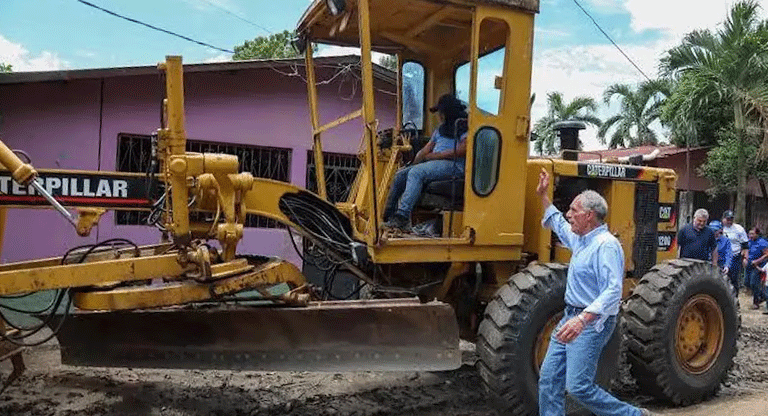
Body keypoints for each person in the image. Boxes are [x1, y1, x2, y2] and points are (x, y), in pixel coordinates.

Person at [535, 168, 655, 416]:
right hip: (572, 317)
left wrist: (582, 320)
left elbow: (613, 291)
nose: (568, 215)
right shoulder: (581, 239)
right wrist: (543, 196)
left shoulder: (606, 245)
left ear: (589, 216)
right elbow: (557, 222)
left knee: (578, 387)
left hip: (592, 323)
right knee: (548, 379)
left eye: (573, 211)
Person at [382, 94, 468, 231]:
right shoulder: (440, 130)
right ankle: (388, 215)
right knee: (401, 175)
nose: (439, 116)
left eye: (441, 113)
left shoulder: (463, 127)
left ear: (448, 113)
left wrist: (437, 156)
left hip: (454, 165)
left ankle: (402, 217)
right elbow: (425, 150)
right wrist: (412, 164)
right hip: (436, 164)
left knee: (417, 173)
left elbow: (465, 148)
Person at [721, 210, 748, 294]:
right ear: (723, 219)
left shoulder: (739, 229)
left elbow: (745, 245)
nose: (729, 221)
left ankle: (735, 298)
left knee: (734, 279)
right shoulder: (719, 228)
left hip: (735, 256)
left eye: (731, 219)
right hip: (721, 256)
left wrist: (745, 258)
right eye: (727, 219)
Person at [743, 227, 768, 309]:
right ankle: (764, 296)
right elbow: (745, 250)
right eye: (749, 233)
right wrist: (745, 258)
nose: (750, 235)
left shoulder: (762, 242)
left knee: (754, 283)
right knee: (746, 282)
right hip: (749, 264)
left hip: (758, 266)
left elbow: (766, 254)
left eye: (752, 234)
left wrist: (757, 261)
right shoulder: (749, 241)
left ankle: (756, 302)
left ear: (757, 234)